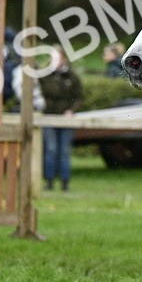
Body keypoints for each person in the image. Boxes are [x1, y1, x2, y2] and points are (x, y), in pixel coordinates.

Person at [38, 47, 83, 191]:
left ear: (63, 59)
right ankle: (49, 181)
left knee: (64, 151)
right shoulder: (45, 75)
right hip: (49, 117)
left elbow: (79, 97)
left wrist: (71, 111)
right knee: (50, 149)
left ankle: (65, 182)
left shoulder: (72, 76)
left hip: (66, 119)